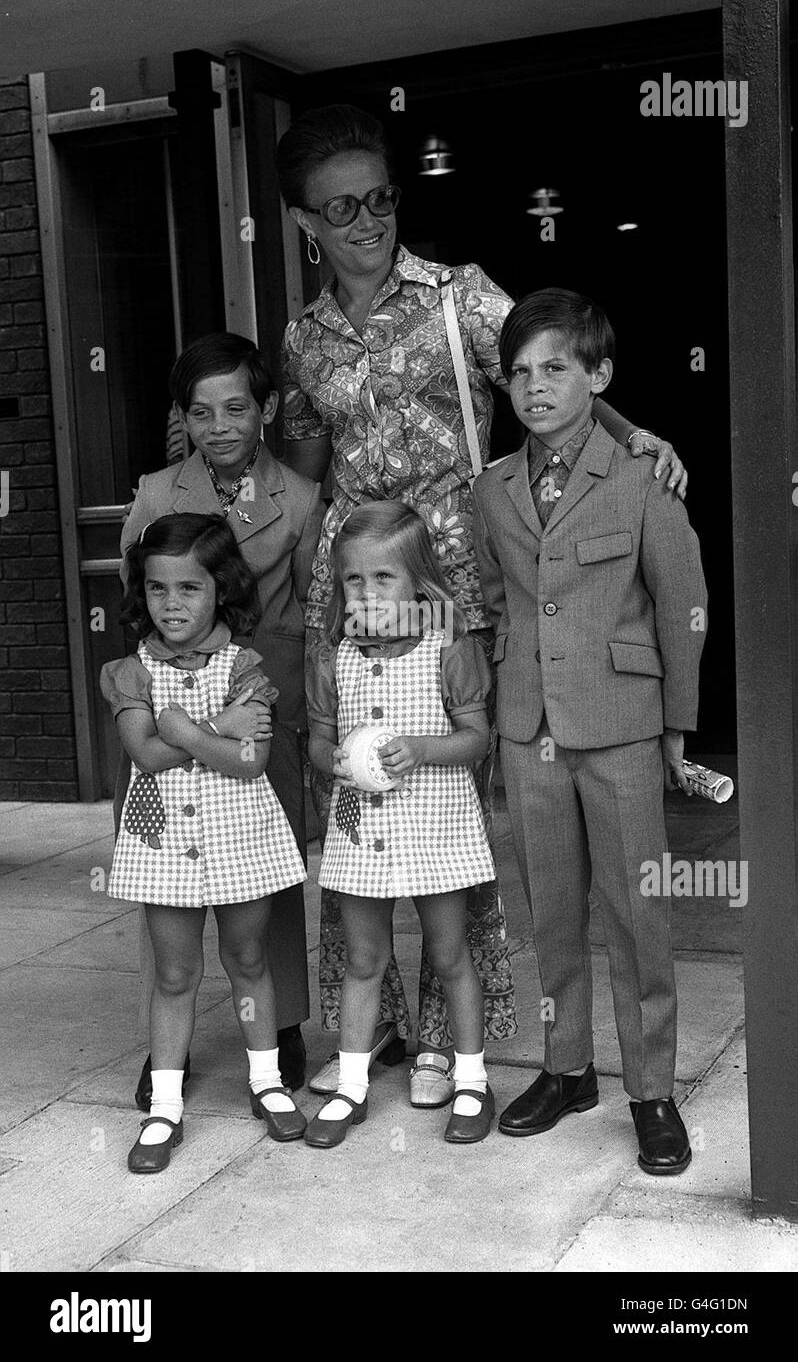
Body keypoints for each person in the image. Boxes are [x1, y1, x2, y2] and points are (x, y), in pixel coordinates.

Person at [277, 102, 688, 1105]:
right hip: (355, 594)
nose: (368, 220)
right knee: (363, 794)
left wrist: (634, 437)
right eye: (342, 207)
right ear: (304, 223)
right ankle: (376, 1020)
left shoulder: (458, 294)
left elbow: (551, 367)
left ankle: (454, 1033)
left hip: (459, 585)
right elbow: (306, 463)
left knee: (454, 808)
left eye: (380, 198)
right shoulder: (302, 341)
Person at [472, 288, 707, 1174]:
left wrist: (676, 726)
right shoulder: (492, 489)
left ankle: (652, 1089)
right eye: (519, 372)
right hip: (528, 726)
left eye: (556, 368)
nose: (534, 387)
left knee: (638, 912)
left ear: (599, 376)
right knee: (550, 911)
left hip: (620, 725)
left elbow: (682, 603)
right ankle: (566, 1067)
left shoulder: (644, 475)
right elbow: (499, 603)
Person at [120, 333, 324, 1103]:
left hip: (261, 707)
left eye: (236, 408)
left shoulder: (299, 497)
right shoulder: (155, 493)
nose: (220, 427)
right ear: (183, 418)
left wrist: (292, 711)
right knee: (165, 876)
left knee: (268, 870)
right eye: (201, 413)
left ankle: (283, 1022)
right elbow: (138, 602)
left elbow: (308, 613)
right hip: (171, 705)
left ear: (265, 409)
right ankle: (164, 1044)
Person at [102, 514, 308, 1172]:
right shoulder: (130, 672)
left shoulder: (245, 667)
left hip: (241, 840)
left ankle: (267, 1082)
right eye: (157, 588)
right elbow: (146, 754)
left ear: (222, 588)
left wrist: (187, 731)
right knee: (174, 973)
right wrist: (218, 728)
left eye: (189, 587)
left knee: (248, 958)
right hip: (163, 849)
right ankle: (165, 1106)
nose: (171, 603)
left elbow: (251, 762)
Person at [304, 502, 497, 1147]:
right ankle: (352, 1087)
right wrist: (332, 760)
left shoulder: (450, 648)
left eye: (384, 577)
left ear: (418, 581)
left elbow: (476, 739)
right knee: (364, 959)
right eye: (353, 579)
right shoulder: (333, 656)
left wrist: (420, 748)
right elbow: (319, 741)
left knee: (449, 954)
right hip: (362, 832)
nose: (367, 592)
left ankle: (471, 1081)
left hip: (437, 826)